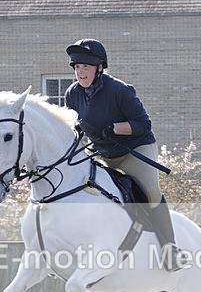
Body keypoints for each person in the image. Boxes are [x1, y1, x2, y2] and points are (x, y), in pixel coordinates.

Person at [63, 38, 188, 272]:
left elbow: (143, 124)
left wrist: (116, 128)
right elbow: (74, 126)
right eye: (77, 67)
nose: (81, 72)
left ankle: (170, 249)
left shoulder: (120, 90)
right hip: (101, 152)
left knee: (150, 192)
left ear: (99, 68)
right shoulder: (72, 94)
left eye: (86, 67)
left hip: (134, 150)